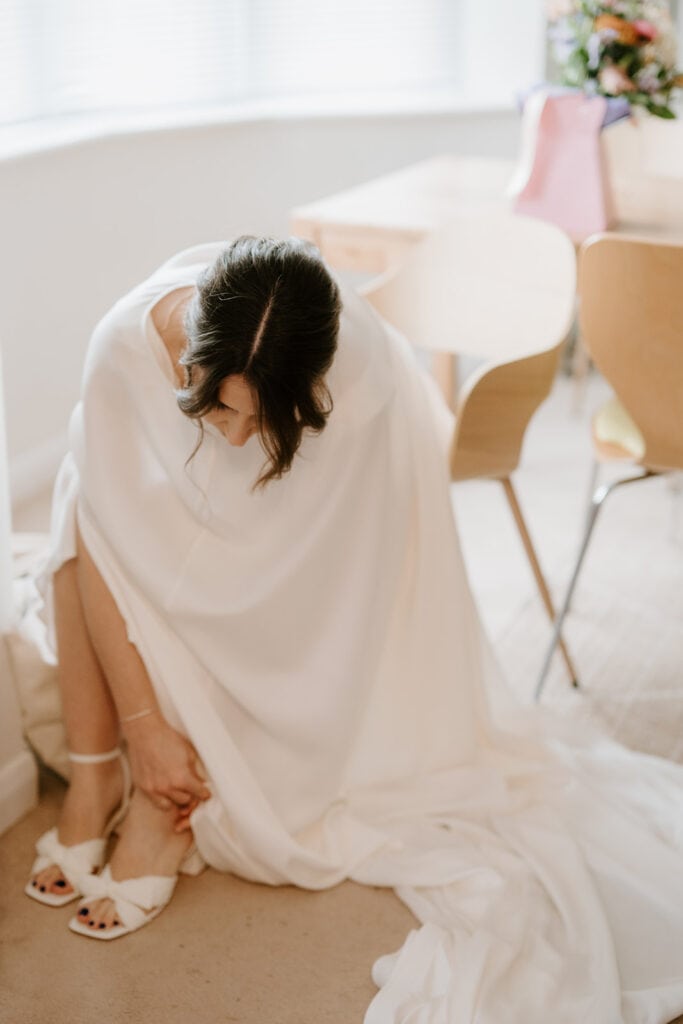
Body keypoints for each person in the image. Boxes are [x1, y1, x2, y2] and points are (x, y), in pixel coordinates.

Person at [25, 236, 683, 1021]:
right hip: (156, 529)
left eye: (262, 417)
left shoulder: (357, 378)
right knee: (77, 504)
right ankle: (103, 775)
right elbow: (107, 528)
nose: (235, 438)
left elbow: (322, 582)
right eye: (222, 406)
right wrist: (145, 726)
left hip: (302, 545)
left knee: (148, 545)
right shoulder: (121, 350)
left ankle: (163, 810)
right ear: (191, 361)